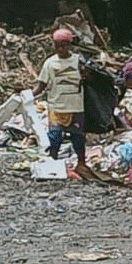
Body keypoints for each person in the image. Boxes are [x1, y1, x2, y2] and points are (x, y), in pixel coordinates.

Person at [34, 28, 89, 174]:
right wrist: (28, 96)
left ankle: (82, 164)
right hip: (56, 106)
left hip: (75, 106)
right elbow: (41, 85)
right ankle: (53, 164)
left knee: (78, 137)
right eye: (57, 46)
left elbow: (91, 79)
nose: (61, 49)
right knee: (55, 137)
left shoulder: (79, 61)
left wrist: (85, 73)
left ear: (70, 45)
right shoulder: (50, 63)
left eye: (64, 45)